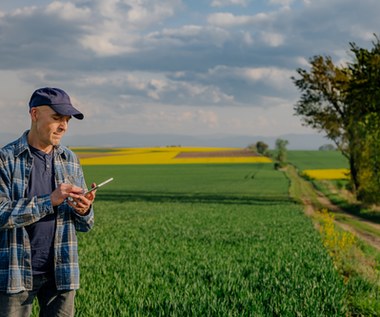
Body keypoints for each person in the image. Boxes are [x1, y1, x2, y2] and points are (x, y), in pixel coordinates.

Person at [0, 87, 96, 317]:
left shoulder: (70, 160)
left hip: (62, 273)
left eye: (66, 120)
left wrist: (85, 209)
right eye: (56, 118)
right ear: (34, 114)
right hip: (15, 274)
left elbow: (86, 225)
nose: (63, 126)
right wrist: (49, 200)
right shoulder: (6, 159)